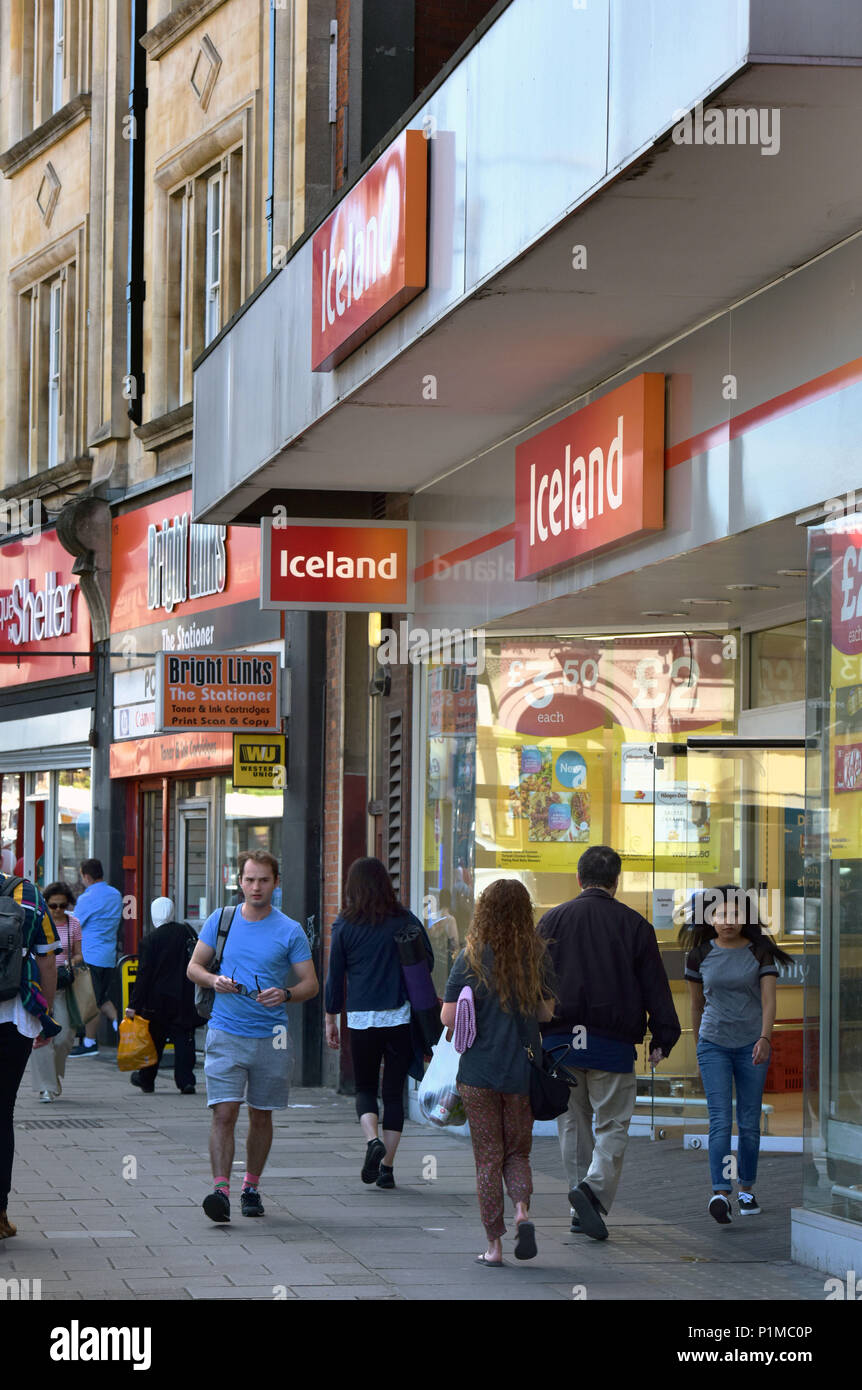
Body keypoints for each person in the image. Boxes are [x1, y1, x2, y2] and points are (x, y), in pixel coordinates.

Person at [538, 845, 681, 1241]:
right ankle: (591, 1190)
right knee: (613, 1124)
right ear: (616, 882)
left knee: (572, 1125)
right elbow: (654, 986)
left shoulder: (550, 921)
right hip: (611, 1044)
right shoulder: (635, 926)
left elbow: (535, 984)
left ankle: (577, 1205)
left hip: (560, 1043)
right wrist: (663, 1035)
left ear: (579, 879)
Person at [187, 850, 319, 1222]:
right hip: (226, 1031)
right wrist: (215, 980)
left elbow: (310, 984)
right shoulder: (222, 920)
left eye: (263, 880)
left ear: (276, 883)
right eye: (249, 879)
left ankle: (251, 1187)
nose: (256, 887)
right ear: (239, 882)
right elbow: (194, 967)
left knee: (261, 1116)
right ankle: (220, 1191)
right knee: (224, 1113)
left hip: (272, 1036)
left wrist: (286, 993)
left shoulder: (289, 930)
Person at [440, 878, 555, 1267]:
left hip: (477, 1074)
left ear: (483, 910)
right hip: (521, 1072)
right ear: (525, 911)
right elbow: (546, 1013)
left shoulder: (469, 956)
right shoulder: (537, 956)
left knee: (487, 1158)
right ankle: (522, 1210)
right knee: (517, 1153)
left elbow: (448, 1018)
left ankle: (494, 1246)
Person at [682, 885, 793, 1223]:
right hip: (713, 1043)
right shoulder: (699, 955)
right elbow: (696, 1005)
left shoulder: (760, 952)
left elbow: (769, 1001)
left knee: (748, 1122)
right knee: (719, 1121)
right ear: (710, 918)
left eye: (735, 915)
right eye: (720, 915)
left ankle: (746, 1189)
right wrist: (697, 1048)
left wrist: (765, 1038)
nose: (728, 921)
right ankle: (720, 1193)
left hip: (751, 1045)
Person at [324, 857, 434, 1190]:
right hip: (398, 1017)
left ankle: (372, 1140)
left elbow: (335, 977)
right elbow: (425, 960)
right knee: (394, 1093)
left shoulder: (344, 925)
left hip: (360, 1019)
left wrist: (332, 1018)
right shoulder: (403, 919)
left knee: (365, 1088)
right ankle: (387, 1167)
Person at [0, 870, 60, 1239]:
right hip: (15, 1016)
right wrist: (46, 1015)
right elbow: (47, 960)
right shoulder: (29, 893)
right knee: (2, 1110)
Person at [124, 897, 201, 1095]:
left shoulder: (150, 940)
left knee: (154, 1042)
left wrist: (133, 1004)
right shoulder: (187, 932)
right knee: (184, 1039)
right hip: (185, 996)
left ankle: (146, 1079)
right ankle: (186, 1081)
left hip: (156, 1002)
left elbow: (144, 975)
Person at [27, 882, 81, 1102]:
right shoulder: (37, 922)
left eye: (63, 905)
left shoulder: (73, 923)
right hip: (39, 984)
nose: (58, 910)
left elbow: (79, 954)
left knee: (65, 1037)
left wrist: (70, 964)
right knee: (41, 1036)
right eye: (53, 905)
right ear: (46, 904)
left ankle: (54, 1077)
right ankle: (46, 1087)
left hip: (63, 986)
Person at [68, 858, 122, 1058]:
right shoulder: (115, 894)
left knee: (90, 1001)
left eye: (82, 876)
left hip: (90, 955)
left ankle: (90, 1043)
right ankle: (122, 1028)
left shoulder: (88, 897)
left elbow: (75, 923)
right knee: (101, 998)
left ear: (87, 876)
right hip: (108, 956)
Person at [426, 888, 459, 996]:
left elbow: (431, 935)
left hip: (435, 957)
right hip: (446, 959)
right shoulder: (450, 919)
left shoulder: (434, 918)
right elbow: (455, 941)